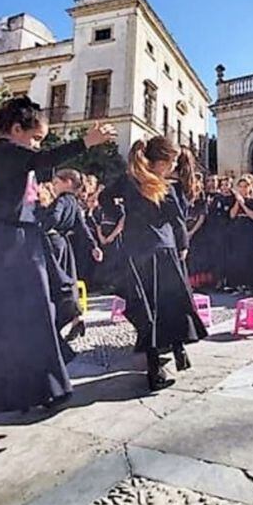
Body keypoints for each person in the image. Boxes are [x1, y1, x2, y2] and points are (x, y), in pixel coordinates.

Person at [0, 97, 115, 423]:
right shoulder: (6, 152)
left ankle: (39, 387)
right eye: (35, 137)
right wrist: (87, 141)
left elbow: (36, 173)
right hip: (8, 243)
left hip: (20, 241)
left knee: (23, 315)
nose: (37, 145)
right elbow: (45, 158)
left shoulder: (15, 157)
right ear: (16, 130)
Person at [100, 136, 207, 391]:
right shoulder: (165, 187)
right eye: (170, 162)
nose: (172, 168)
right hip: (164, 249)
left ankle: (156, 368)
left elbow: (104, 197)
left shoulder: (129, 180)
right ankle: (177, 351)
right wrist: (183, 246)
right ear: (160, 162)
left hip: (137, 251)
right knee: (172, 303)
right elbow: (178, 220)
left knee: (148, 308)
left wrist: (119, 217)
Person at [37, 169, 101, 342]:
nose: (54, 186)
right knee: (66, 282)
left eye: (57, 182)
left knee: (55, 282)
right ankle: (75, 318)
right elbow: (82, 227)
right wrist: (94, 246)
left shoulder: (62, 200)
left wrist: (42, 226)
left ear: (68, 183)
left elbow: (55, 218)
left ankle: (59, 321)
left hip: (53, 242)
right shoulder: (74, 203)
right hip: (64, 245)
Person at [227, 175, 253, 291]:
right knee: (237, 257)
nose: (242, 189)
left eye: (245, 187)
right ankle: (238, 283)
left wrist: (243, 204)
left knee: (248, 257)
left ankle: (249, 284)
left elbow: (252, 215)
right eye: (240, 187)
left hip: (248, 230)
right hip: (237, 229)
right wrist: (238, 202)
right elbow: (231, 215)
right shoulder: (235, 201)